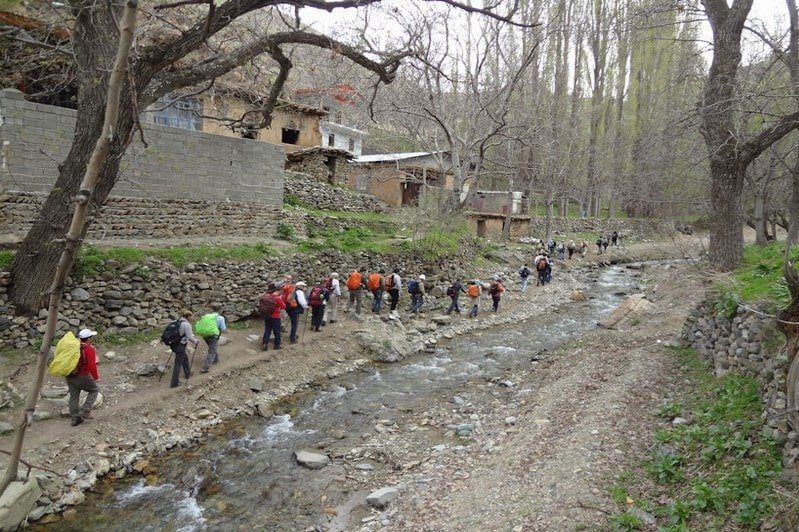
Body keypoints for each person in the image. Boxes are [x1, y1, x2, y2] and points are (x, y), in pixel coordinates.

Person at [67, 329, 101, 426]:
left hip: (70, 375)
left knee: (74, 396)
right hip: (82, 375)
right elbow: (91, 365)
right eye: (91, 337)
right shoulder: (88, 349)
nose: (92, 339)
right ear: (89, 338)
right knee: (94, 390)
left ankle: (74, 417)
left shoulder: (74, 347)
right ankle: (85, 411)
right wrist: (96, 377)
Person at [170, 310, 199, 388]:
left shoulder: (176, 321)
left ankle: (187, 373)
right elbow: (189, 337)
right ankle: (174, 383)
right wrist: (196, 342)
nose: (192, 318)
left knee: (184, 357)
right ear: (188, 316)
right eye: (191, 316)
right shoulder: (186, 324)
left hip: (174, 344)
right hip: (180, 345)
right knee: (178, 364)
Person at [198, 303, 227, 374]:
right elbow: (223, 329)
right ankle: (205, 368)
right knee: (212, 350)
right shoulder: (220, 318)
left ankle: (216, 360)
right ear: (220, 310)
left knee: (212, 347)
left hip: (205, 335)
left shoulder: (207, 316)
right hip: (213, 336)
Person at [261, 285, 286, 350]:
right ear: (280, 291)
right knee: (277, 331)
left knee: (267, 330)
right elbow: (284, 306)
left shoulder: (267, 296)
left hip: (267, 315)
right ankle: (277, 345)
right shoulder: (277, 298)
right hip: (275, 316)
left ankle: (265, 344)